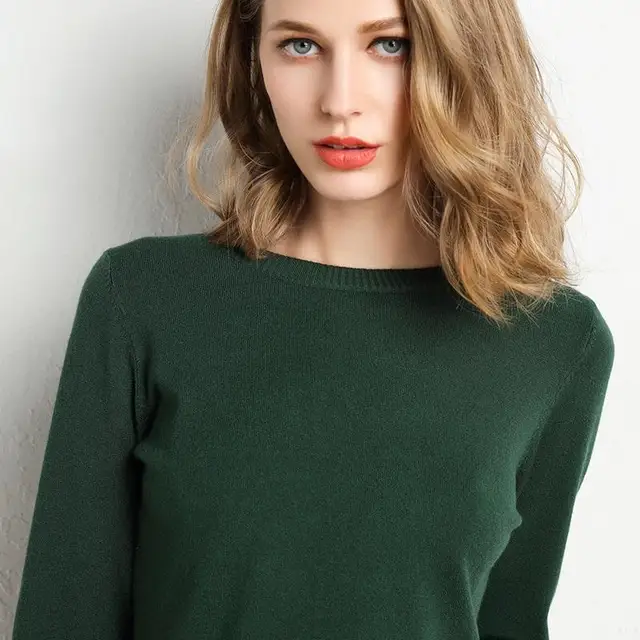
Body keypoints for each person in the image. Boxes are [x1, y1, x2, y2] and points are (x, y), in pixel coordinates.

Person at [12, 0, 616, 638]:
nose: (339, 101)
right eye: (300, 46)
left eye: (390, 45)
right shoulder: (144, 300)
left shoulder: (555, 342)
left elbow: (510, 620)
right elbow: (63, 618)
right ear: (253, 60)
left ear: (468, 56)